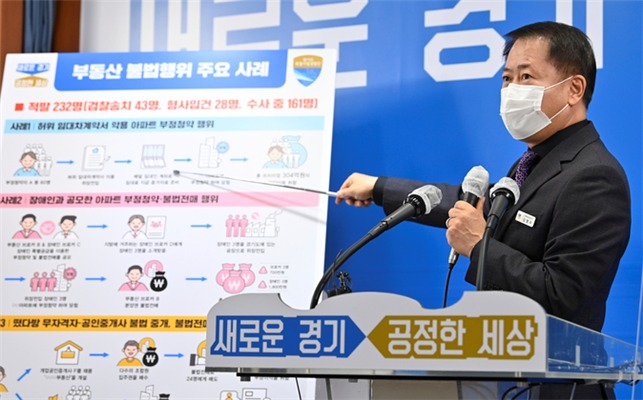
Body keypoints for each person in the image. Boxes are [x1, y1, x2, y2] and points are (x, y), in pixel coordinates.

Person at [335, 21, 630, 400]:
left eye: (526, 77)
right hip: (510, 382)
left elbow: (564, 298)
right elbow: (468, 203)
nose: (511, 90)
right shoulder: (534, 162)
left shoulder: (594, 175)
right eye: (507, 79)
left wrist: (479, 246)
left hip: (559, 389)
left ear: (574, 88)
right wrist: (379, 188)